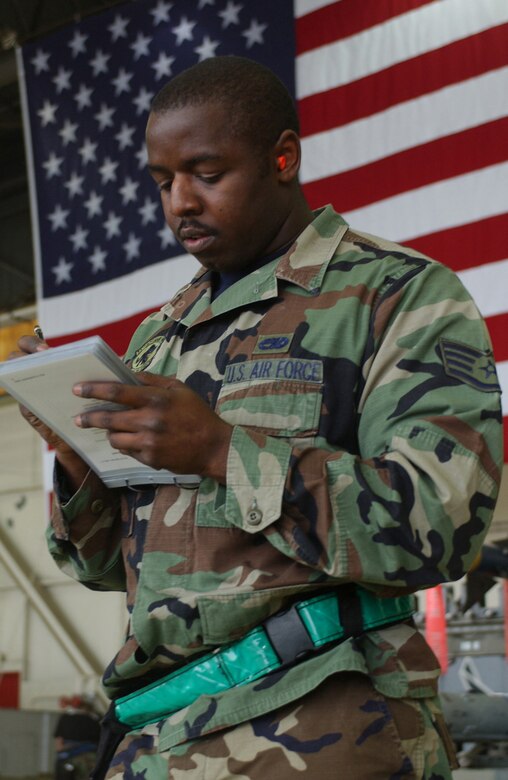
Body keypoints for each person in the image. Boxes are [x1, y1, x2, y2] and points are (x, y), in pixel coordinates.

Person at [14, 56, 503, 779]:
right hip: (159, 733)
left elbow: (436, 532)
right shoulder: (162, 335)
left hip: (324, 724)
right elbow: (108, 570)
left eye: (206, 174)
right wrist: (80, 462)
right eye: (161, 181)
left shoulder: (397, 296)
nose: (180, 202)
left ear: (283, 157)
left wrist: (218, 450)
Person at [53, 711, 100, 780]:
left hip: (70, 758)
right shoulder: (95, 718)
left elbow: (59, 746)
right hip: (89, 756)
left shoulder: (65, 718)